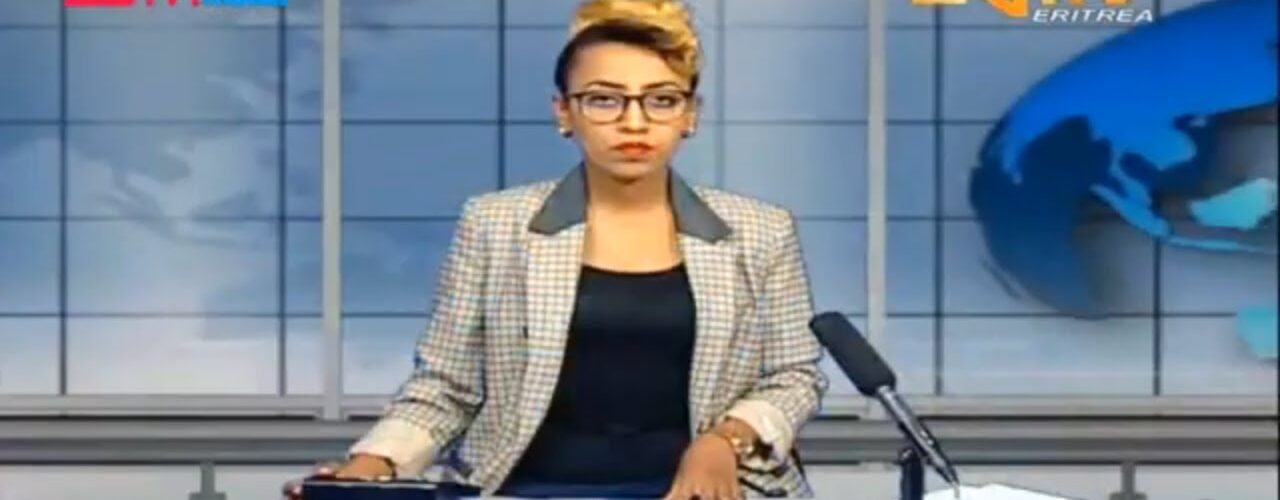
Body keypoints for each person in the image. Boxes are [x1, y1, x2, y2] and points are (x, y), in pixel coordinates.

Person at [284, 0, 827, 497]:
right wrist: (372, 466)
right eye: (604, 100)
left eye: (661, 100)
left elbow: (794, 376)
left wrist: (726, 440)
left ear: (690, 115)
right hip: (527, 488)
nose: (634, 121)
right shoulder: (496, 224)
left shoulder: (760, 231)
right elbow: (445, 386)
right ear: (564, 112)